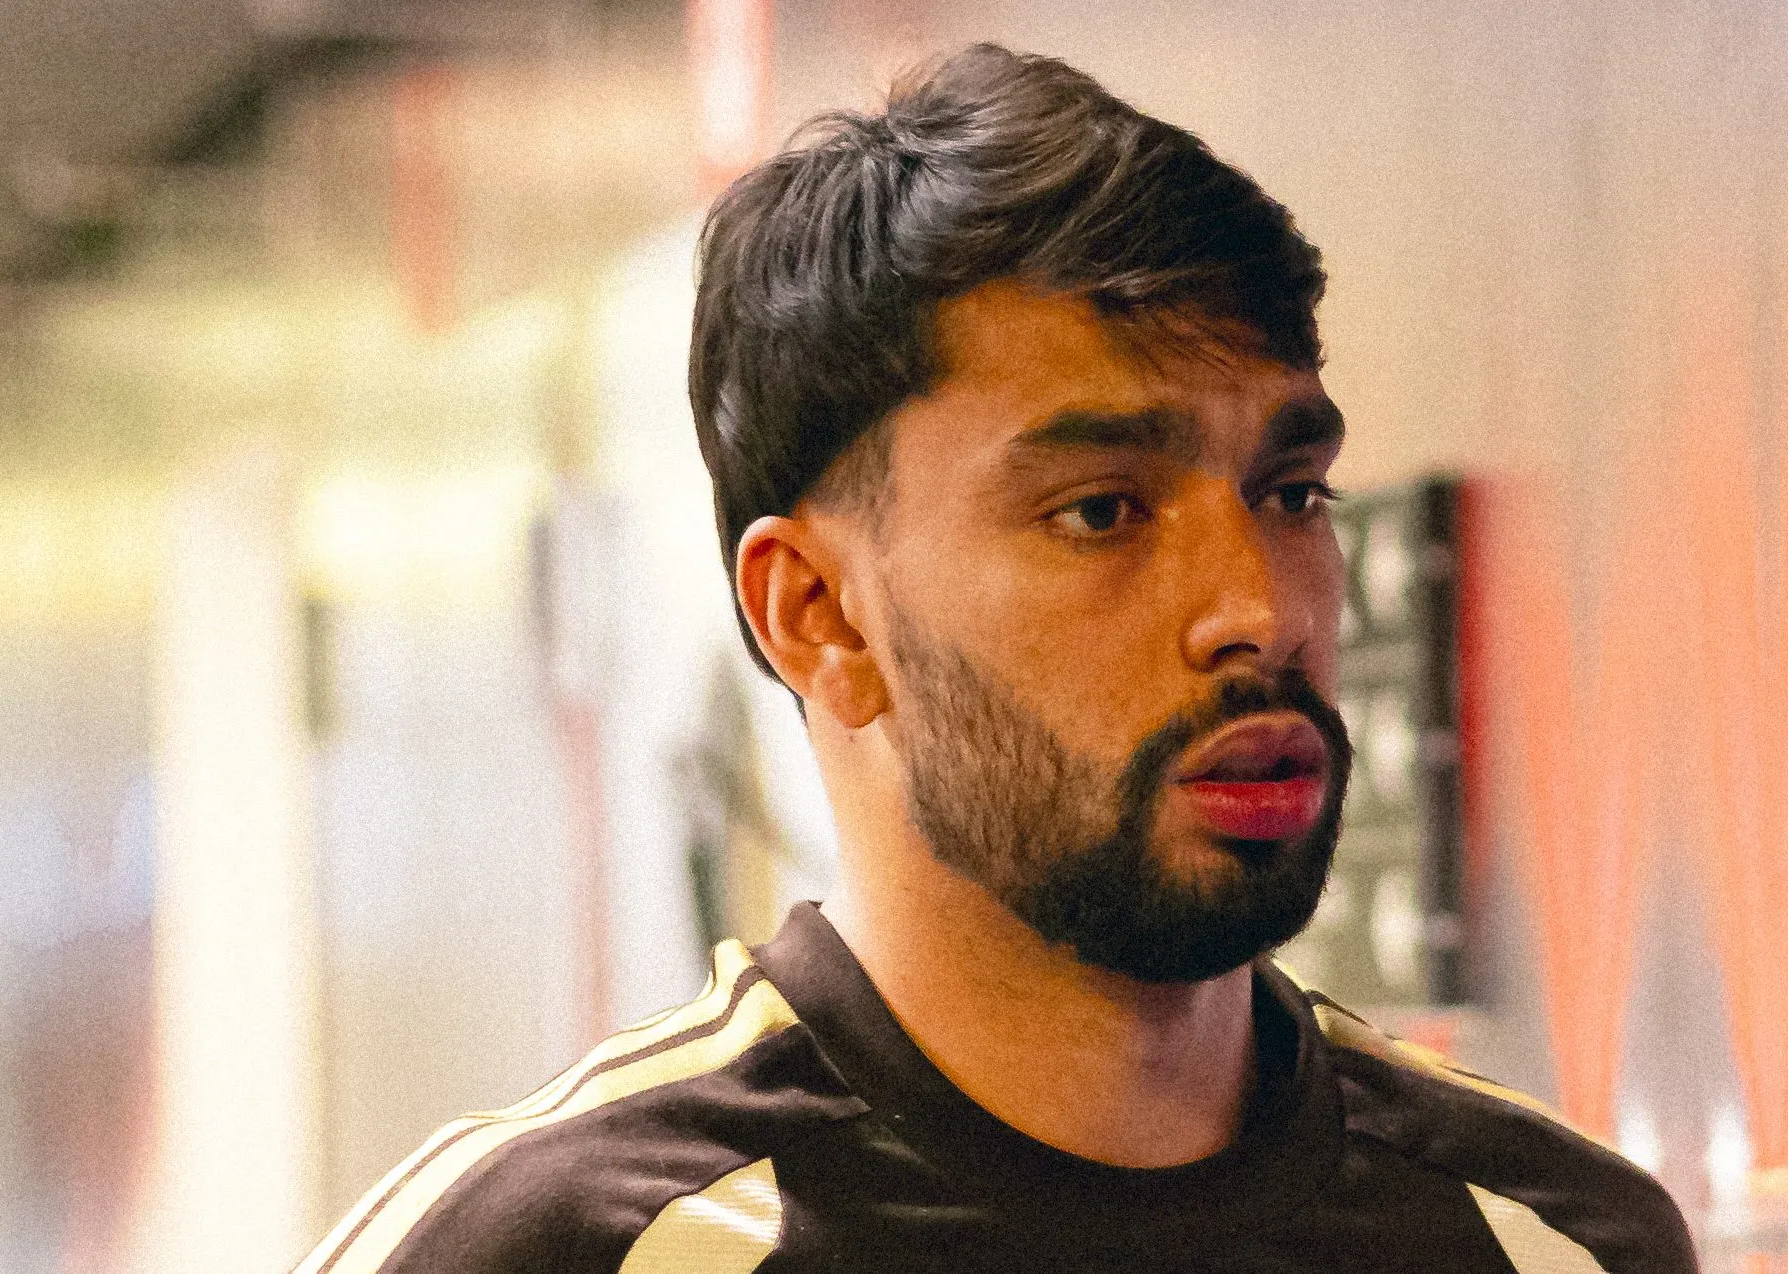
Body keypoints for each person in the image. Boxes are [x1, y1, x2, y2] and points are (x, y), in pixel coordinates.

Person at [297, 44, 1697, 1274]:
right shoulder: (552, 1247)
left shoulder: (1556, 1236)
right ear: (821, 616)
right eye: (1102, 512)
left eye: (1289, 493)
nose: (1257, 608)